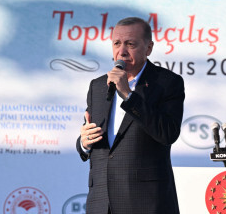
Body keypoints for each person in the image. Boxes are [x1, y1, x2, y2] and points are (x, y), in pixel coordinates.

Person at [76, 17, 185, 214]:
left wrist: (128, 95)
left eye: (130, 44)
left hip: (146, 203)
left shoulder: (168, 83)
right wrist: (84, 143)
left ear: (148, 48)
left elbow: (168, 133)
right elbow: (95, 141)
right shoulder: (98, 86)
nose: (122, 51)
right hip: (101, 203)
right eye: (117, 43)